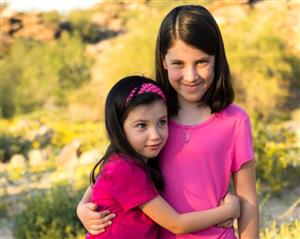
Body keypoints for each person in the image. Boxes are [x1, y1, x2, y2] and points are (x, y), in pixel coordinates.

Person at [77, 4, 259, 239]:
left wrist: (235, 210)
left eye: (202, 62)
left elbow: (248, 199)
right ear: (164, 61)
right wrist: (82, 208)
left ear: (217, 60)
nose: (191, 76)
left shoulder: (235, 120)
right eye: (178, 64)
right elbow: (112, 170)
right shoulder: (150, 116)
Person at [84, 75, 240, 239]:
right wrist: (229, 210)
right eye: (142, 125)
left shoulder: (125, 162)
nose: (155, 135)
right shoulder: (123, 168)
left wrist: (81, 207)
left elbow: (98, 184)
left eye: (162, 122)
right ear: (119, 128)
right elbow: (176, 224)